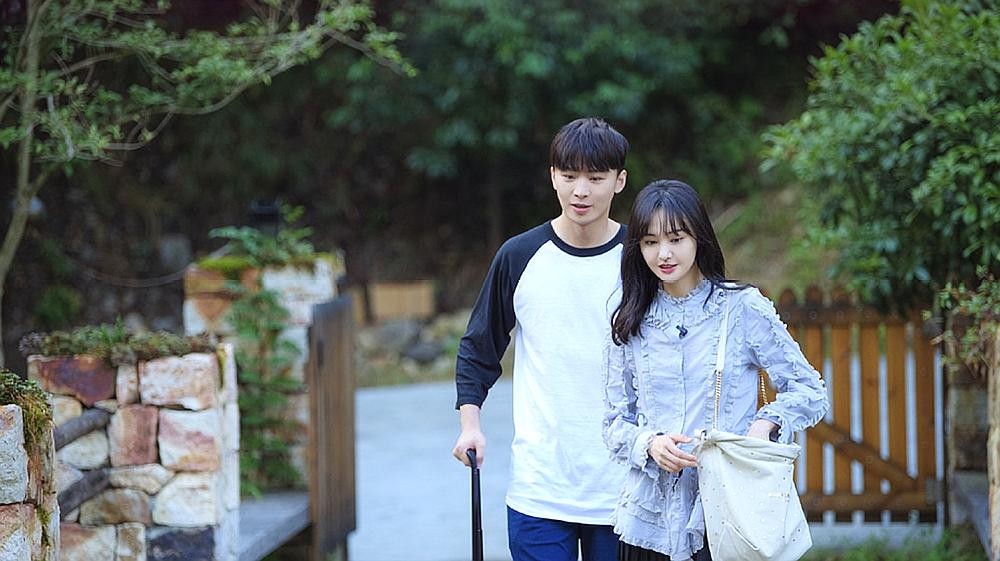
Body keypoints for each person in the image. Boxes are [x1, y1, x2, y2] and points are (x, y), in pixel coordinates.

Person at [603, 179, 829, 561]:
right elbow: (613, 423)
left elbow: (809, 389)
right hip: (649, 524)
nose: (664, 253)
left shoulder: (741, 308)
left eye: (676, 238)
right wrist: (650, 444)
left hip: (726, 516)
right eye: (650, 242)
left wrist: (765, 423)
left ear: (699, 237)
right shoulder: (630, 318)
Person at [452, 117, 630, 561]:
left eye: (595, 178)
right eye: (569, 176)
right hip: (540, 487)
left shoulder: (641, 260)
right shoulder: (519, 256)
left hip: (625, 488)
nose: (580, 191)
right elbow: (479, 347)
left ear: (620, 181)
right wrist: (470, 425)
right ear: (552, 177)